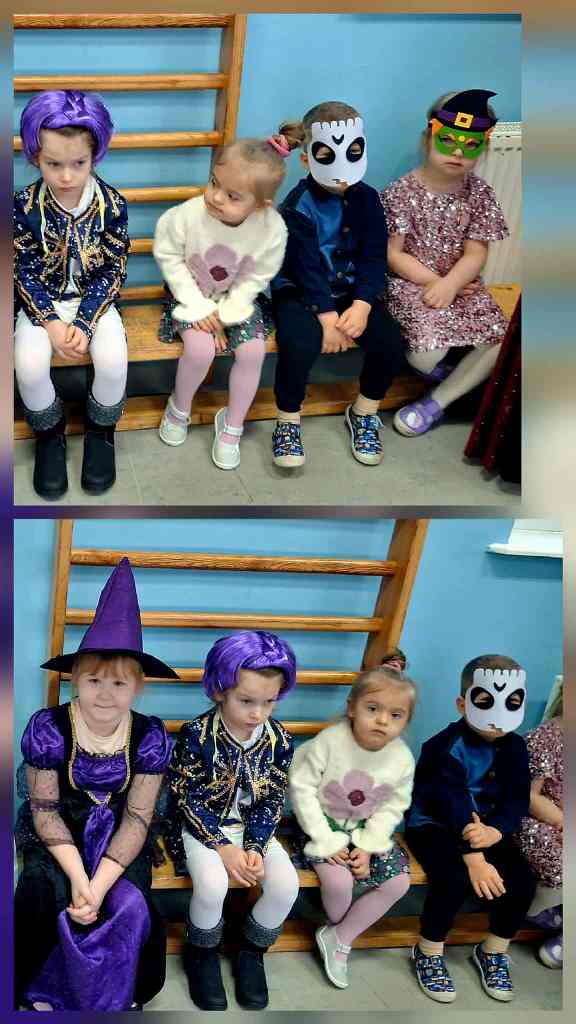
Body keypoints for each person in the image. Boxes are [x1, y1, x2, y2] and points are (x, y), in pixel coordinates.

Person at [14, 558, 178, 1011]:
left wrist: (98, 885)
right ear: (74, 680)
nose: (105, 693)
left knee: (131, 900)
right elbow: (44, 809)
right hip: (60, 831)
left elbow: (139, 816)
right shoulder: (49, 727)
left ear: (138, 687)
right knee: (42, 891)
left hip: (121, 834)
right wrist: (77, 877)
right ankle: (41, 988)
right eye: (93, 680)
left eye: (119, 683)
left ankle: (119, 992)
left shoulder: (148, 735)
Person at [165, 631, 299, 1011]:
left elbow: (272, 798)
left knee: (285, 885)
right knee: (212, 885)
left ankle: (251, 952)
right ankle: (202, 954)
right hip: (202, 828)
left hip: (254, 830)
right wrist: (222, 847)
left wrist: (254, 846)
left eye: (269, 702)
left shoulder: (279, 740)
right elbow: (186, 797)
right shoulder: (197, 735)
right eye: (246, 701)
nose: (258, 713)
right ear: (219, 691)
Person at [269, 100, 404, 468]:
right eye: (328, 156)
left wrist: (362, 304)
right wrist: (328, 319)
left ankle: (364, 412)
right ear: (307, 159)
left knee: (390, 341)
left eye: (353, 153)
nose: (342, 167)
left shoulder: (369, 199)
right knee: (298, 342)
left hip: (351, 292)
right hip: (300, 290)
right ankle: (287, 420)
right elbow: (304, 267)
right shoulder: (298, 205)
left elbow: (374, 256)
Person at [14, 90, 130, 498]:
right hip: (40, 305)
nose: (66, 176)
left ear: (95, 155)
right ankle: (50, 436)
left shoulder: (112, 204)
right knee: (28, 366)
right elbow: (21, 269)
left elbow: (113, 269)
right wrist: (49, 322)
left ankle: (101, 434)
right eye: (53, 164)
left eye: (78, 163)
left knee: (113, 362)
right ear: (35, 157)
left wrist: (84, 321)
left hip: (94, 304)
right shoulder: (23, 206)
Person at [404, 654, 536, 1003]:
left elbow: (517, 799)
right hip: (436, 825)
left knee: (523, 879)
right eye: (486, 702)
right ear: (463, 704)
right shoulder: (442, 748)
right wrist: (474, 857)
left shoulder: (516, 747)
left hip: (486, 828)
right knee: (454, 879)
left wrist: (496, 832)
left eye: (511, 703)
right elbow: (450, 803)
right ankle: (428, 950)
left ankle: (493, 950)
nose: (498, 717)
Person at [380, 89, 509, 437]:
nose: (458, 152)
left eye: (471, 145)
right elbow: (394, 253)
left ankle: (437, 403)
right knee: (425, 355)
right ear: (428, 138)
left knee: (501, 338)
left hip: (462, 285)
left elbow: (476, 252)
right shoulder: (400, 192)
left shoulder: (480, 194)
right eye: (448, 140)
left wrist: (452, 283)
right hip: (412, 285)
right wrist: (436, 283)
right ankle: (467, 383)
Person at [153, 139, 288, 469]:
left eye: (232, 196)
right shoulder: (187, 216)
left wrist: (226, 316)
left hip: (238, 300)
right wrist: (201, 309)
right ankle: (179, 407)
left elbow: (257, 277)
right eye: (214, 182)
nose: (215, 197)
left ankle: (232, 426)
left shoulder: (272, 229)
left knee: (253, 352)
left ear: (260, 206)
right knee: (200, 350)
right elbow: (169, 258)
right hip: (190, 294)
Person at [288, 651, 416, 989]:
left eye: (395, 715)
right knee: (339, 882)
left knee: (399, 883)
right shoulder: (330, 742)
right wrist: (326, 840)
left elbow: (392, 807)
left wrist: (368, 847)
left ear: (405, 721)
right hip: (320, 826)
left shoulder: (402, 758)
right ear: (352, 707)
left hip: (367, 831)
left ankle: (341, 937)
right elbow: (301, 789)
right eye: (373, 709)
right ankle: (337, 927)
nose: (382, 721)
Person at [515, 703, 563, 969]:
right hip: (541, 821)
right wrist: (562, 822)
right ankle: (546, 910)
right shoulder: (545, 738)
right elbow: (530, 796)